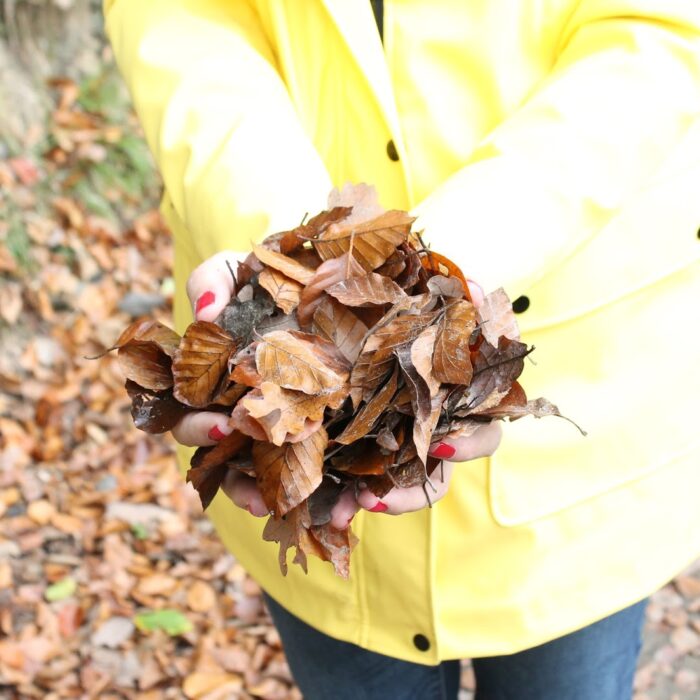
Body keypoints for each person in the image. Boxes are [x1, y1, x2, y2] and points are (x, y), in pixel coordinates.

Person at [103, 1, 700, 697]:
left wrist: (435, 278)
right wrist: (292, 269)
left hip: (578, 426)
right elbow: (181, 19)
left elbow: (655, 34)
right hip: (301, 431)